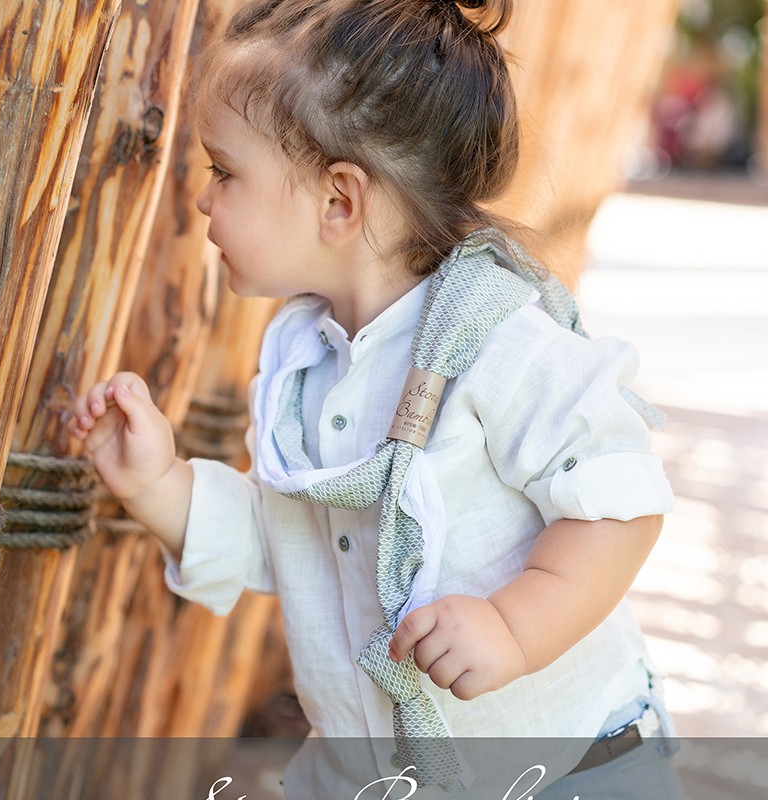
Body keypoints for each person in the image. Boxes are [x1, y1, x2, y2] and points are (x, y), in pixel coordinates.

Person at [68, 1, 683, 797]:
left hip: (573, 765)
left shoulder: (493, 337)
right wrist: (161, 486)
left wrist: (512, 627)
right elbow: (289, 536)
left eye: (225, 172)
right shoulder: (308, 366)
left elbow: (619, 500)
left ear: (339, 202)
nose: (204, 200)